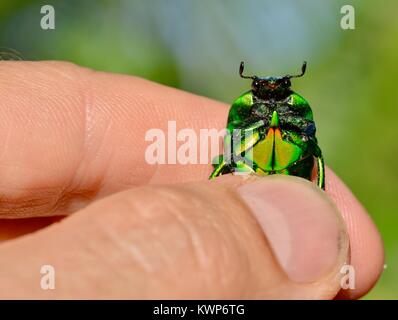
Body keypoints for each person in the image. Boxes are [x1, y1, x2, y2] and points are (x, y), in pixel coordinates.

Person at [0, 61, 384, 299]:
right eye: (262, 88)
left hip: (288, 167)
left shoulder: (298, 108)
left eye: (279, 89)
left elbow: (311, 144)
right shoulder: (243, 110)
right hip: (253, 171)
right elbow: (233, 142)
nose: (270, 93)